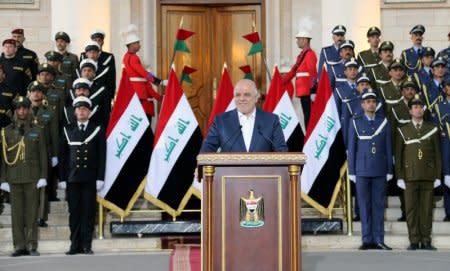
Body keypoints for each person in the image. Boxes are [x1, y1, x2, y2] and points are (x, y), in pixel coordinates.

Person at [0, 96, 48, 257]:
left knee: (32, 214)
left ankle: (32, 245)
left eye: (25, 108)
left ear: (28, 110)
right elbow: (2, 158)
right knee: (17, 214)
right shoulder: (5, 131)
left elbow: (43, 155)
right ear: (15, 111)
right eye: (19, 108)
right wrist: (3, 179)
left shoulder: (37, 130)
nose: (22, 111)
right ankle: (19, 246)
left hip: (32, 177)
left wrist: (43, 176)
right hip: (13, 178)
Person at [58, 96, 106, 255]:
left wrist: (100, 177)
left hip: (89, 178)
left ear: (90, 112)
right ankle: (74, 245)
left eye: (85, 109)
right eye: (78, 109)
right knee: (75, 213)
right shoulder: (67, 129)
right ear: (74, 111)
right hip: (72, 178)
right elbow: (63, 156)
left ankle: (86, 245)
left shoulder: (97, 128)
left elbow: (102, 155)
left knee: (88, 212)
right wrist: (62, 178)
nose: (81, 111)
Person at [348, 89, 393, 250]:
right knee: (364, 205)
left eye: (373, 101)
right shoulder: (355, 122)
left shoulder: (384, 122)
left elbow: (388, 148)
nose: (371, 104)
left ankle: (379, 239)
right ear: (362, 104)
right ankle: (367, 240)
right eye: (368, 101)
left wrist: (389, 170)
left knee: (378, 205)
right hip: (362, 170)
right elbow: (352, 148)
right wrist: (352, 171)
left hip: (380, 170)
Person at [395, 95, 441, 250]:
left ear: (424, 109)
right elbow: (399, 155)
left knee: (427, 210)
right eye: (415, 107)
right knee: (411, 210)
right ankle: (414, 240)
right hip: (410, 176)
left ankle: (426, 240)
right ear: (410, 111)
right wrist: (400, 176)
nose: (418, 110)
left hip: (428, 175)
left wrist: (437, 175)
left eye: (421, 107)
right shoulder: (403, 130)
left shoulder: (432, 129)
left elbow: (437, 155)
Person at [201, 79, 288, 152]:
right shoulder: (221, 121)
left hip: (263, 172)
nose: (242, 99)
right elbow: (207, 150)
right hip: (229, 172)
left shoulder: (271, 120)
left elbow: (281, 151)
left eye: (247, 95)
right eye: (238, 95)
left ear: (256, 97)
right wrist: (200, 167)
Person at [27, 81, 59, 226]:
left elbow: (54, 134)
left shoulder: (49, 111)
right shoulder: (21, 110)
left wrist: (54, 155)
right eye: (33, 91)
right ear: (28, 93)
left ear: (43, 94)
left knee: (43, 186)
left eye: (39, 91)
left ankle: (41, 217)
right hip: (26, 153)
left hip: (44, 153)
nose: (36, 93)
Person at [121, 24, 162, 122]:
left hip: (135, 92)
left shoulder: (126, 57)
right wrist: (158, 81)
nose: (139, 45)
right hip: (140, 93)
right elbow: (143, 73)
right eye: (137, 43)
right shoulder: (133, 57)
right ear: (131, 44)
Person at [282, 22, 317, 128]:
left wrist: (313, 91)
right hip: (303, 92)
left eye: (299, 39)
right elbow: (293, 71)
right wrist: (280, 82)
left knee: (309, 117)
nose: (297, 41)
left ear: (305, 40)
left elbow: (313, 73)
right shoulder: (301, 55)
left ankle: (308, 138)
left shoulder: (310, 54)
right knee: (306, 116)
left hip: (307, 92)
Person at [81, 30, 116, 105]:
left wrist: (111, 96)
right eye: (95, 40)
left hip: (102, 92)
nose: (97, 42)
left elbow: (111, 78)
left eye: (99, 40)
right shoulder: (83, 56)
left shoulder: (108, 57)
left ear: (103, 42)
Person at [435, 79, 450, 221]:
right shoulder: (439, 107)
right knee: (448, 181)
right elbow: (437, 131)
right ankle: (449, 211)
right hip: (446, 148)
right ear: (445, 89)